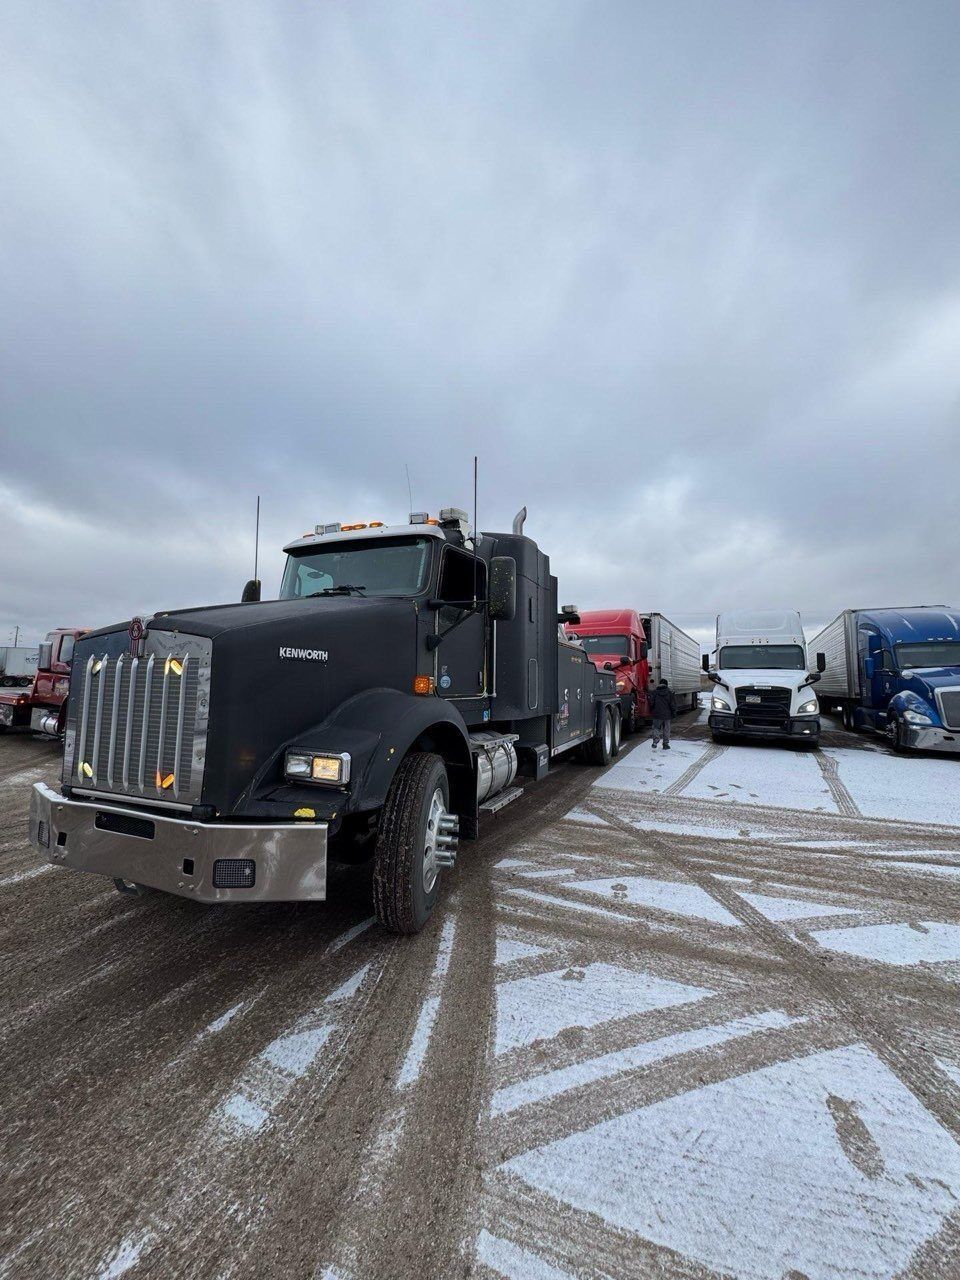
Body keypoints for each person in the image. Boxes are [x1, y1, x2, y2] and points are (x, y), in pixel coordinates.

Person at [649, 678, 677, 749]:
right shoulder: (670, 693)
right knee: (666, 729)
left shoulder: (654, 692)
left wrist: (652, 711)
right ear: (666, 684)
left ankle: (655, 742)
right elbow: (672, 704)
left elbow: (651, 703)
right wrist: (674, 713)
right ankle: (665, 744)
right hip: (667, 715)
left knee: (656, 728)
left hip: (657, 714)